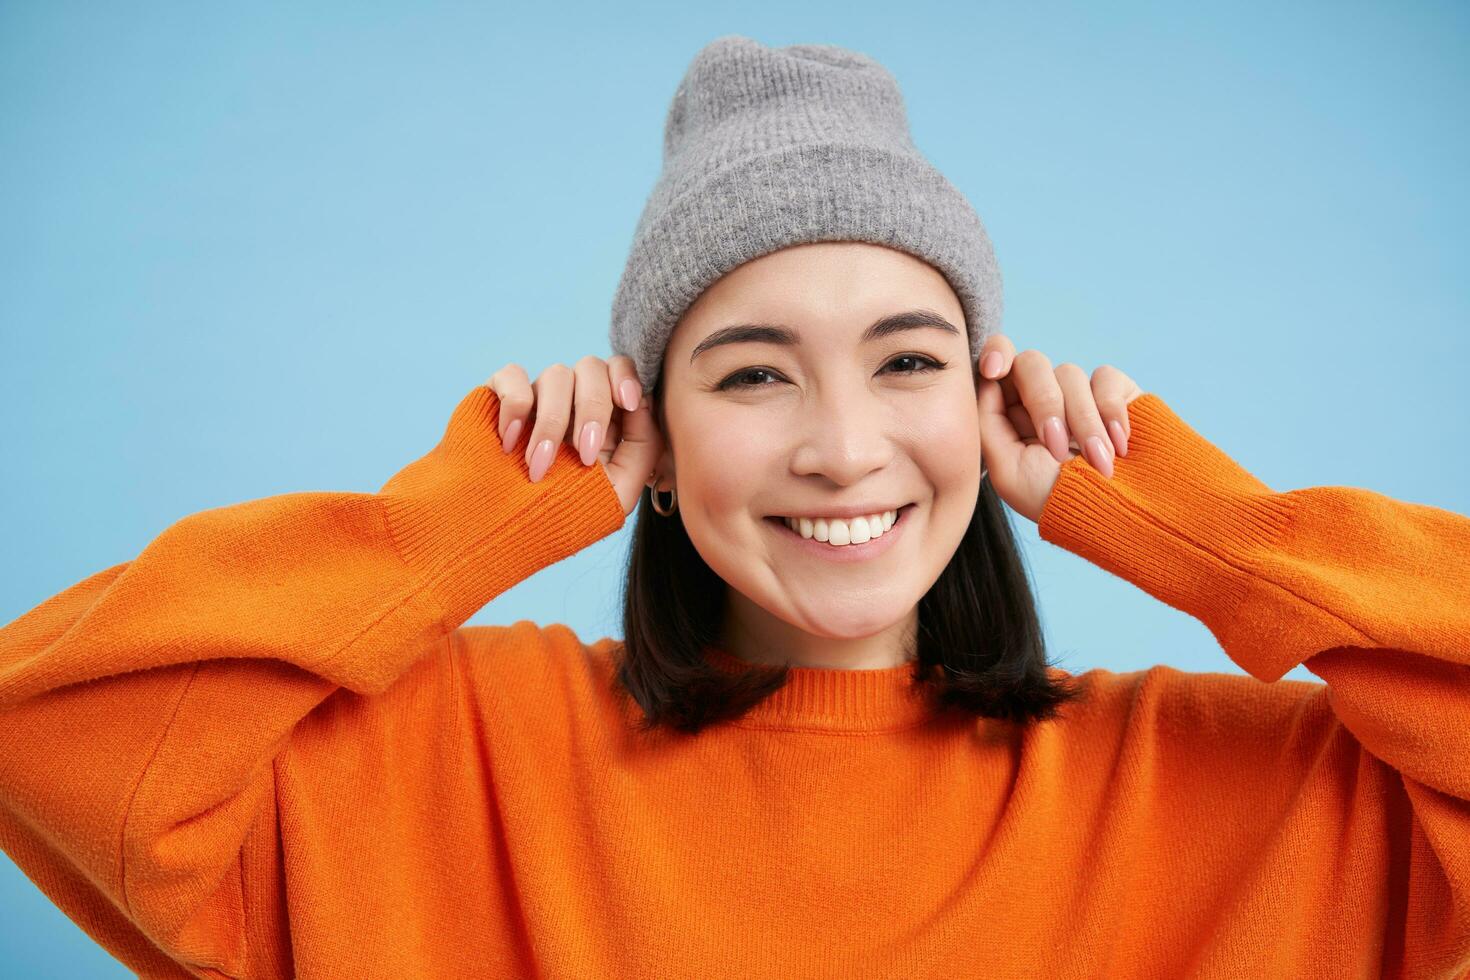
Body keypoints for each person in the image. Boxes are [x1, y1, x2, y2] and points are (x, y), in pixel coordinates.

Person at [2, 33, 1467, 980]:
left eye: (906, 362)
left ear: (988, 401)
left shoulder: (1247, 796)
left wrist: (1199, 530)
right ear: (648, 429)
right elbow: (42, 733)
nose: (840, 447)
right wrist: (466, 518)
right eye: (752, 375)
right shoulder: (436, 759)